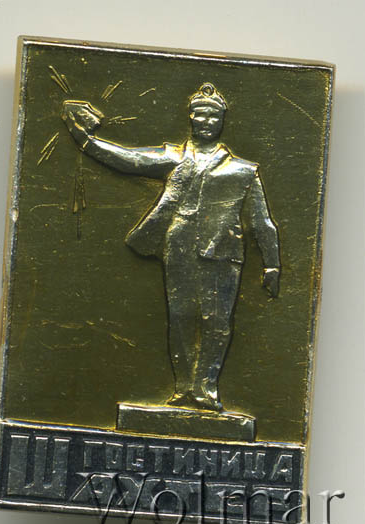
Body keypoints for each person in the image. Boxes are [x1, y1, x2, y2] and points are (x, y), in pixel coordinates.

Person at [62, 83, 280, 413]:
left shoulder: (243, 171)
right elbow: (130, 160)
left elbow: (263, 222)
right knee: (180, 317)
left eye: (213, 116)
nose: (206, 122)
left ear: (222, 121)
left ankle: (206, 388)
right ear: (191, 118)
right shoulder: (174, 157)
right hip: (178, 246)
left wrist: (272, 264)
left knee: (217, 322)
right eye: (200, 115)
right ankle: (183, 388)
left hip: (223, 253)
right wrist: (86, 141)